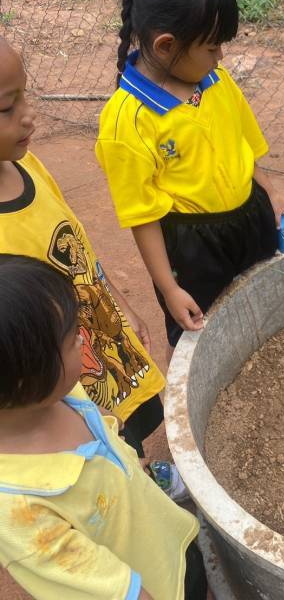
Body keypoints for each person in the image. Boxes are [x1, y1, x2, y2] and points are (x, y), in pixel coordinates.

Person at [96, 0, 284, 350]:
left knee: (262, 308)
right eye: (211, 47)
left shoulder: (215, 80)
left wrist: (272, 191)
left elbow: (242, 145)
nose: (221, 56)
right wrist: (170, 288)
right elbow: (143, 217)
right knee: (199, 338)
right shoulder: (128, 122)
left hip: (250, 217)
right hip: (193, 249)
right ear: (166, 46)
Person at [0, 37, 172, 480]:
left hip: (98, 331)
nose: (28, 115)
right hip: (58, 373)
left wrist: (119, 303)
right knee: (103, 447)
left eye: (24, 95)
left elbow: (76, 244)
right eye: (7, 107)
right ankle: (131, 487)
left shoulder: (26, 166)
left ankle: (146, 477)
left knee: (132, 424)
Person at [0, 254, 207, 600]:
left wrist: (123, 463)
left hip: (169, 540)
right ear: (24, 380)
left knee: (195, 576)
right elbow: (105, 588)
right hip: (152, 587)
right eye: (70, 340)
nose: (83, 339)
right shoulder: (20, 509)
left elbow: (102, 428)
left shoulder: (61, 395)